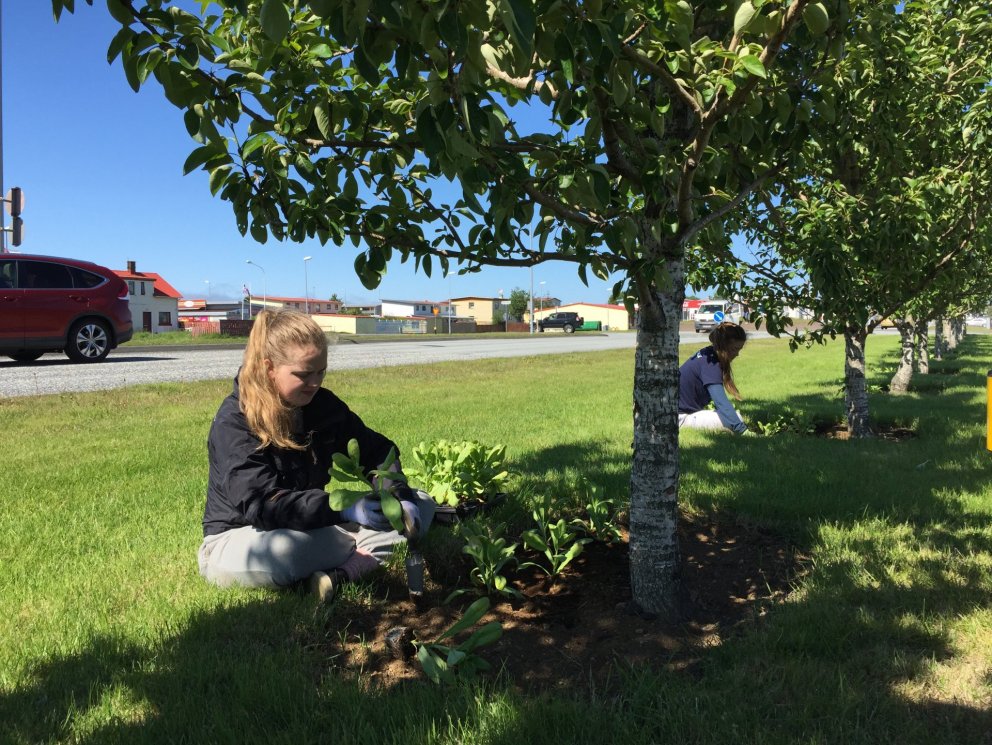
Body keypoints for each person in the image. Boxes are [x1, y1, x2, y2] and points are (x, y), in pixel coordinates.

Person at [198, 309, 435, 602]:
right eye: (303, 374)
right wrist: (345, 509)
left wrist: (397, 494)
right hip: (244, 536)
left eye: (321, 372)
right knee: (291, 549)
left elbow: (377, 451)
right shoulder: (234, 422)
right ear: (269, 367)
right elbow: (264, 504)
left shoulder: (322, 406)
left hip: (314, 524)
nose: (315, 383)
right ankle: (361, 550)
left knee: (422, 504)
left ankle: (340, 575)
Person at [678, 321, 751, 434]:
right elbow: (721, 402)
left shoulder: (707, 355)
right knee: (737, 418)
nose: (737, 354)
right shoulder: (711, 365)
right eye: (735, 349)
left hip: (677, 414)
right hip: (680, 418)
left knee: (732, 417)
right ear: (724, 346)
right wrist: (742, 430)